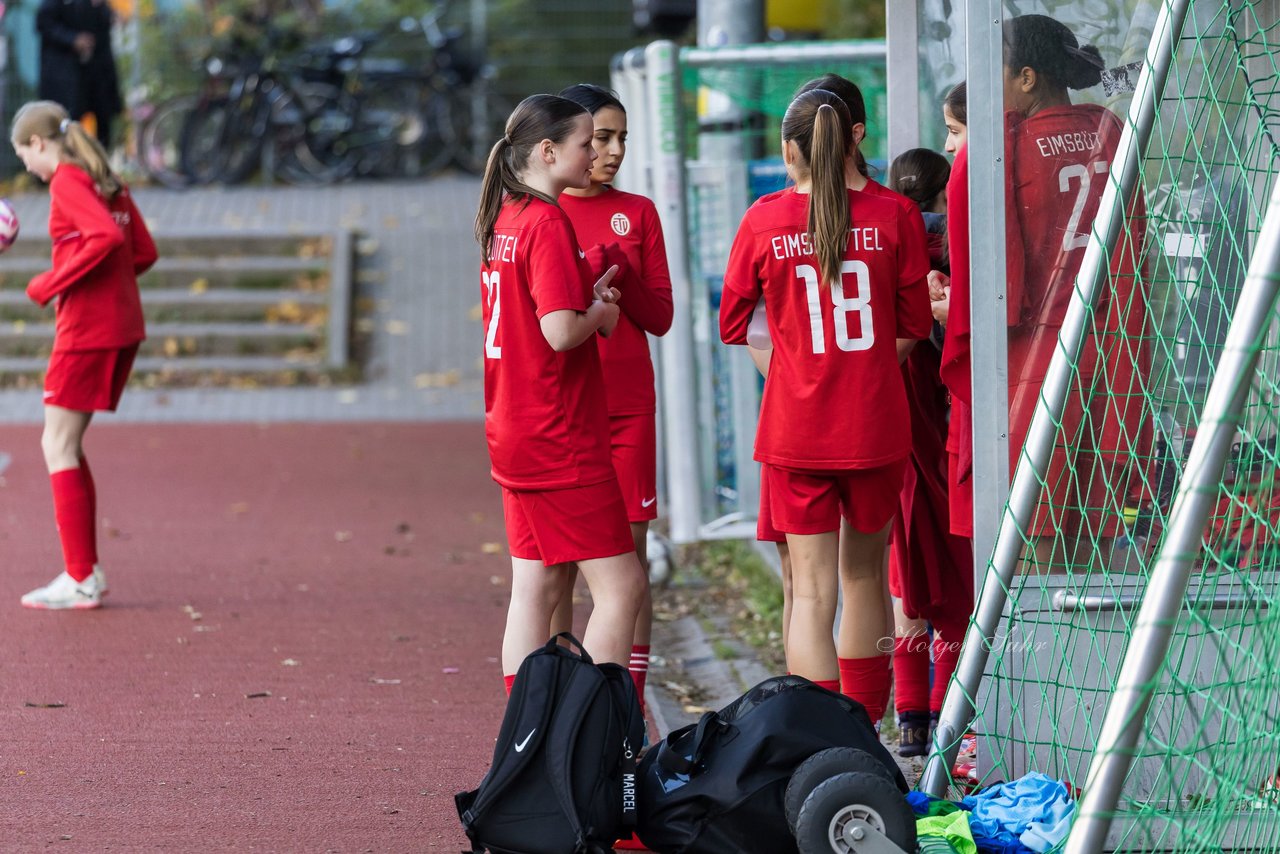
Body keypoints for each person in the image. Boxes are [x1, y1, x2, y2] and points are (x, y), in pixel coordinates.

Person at [720, 88, 932, 724]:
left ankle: (814, 742)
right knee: (866, 579)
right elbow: (914, 324)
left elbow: (734, 323)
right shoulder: (897, 215)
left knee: (812, 592)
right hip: (874, 425)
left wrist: (794, 372)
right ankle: (864, 733)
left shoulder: (764, 219)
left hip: (795, 430)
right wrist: (858, 370)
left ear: (791, 151)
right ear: (853, 141)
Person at [939, 14, 1149, 558]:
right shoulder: (1110, 128)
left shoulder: (993, 150)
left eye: (995, 74)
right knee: (1092, 529)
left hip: (1029, 357)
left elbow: (987, 290)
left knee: (1028, 538)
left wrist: (950, 313)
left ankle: (1031, 647)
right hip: (1110, 346)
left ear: (1026, 77)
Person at [474, 93, 648, 689]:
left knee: (538, 586)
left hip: (513, 427)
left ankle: (527, 739)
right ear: (548, 152)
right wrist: (599, 314)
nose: (596, 152)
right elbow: (558, 332)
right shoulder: (547, 220)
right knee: (623, 587)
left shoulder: (506, 215)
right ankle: (591, 729)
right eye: (586, 142)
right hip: (558, 434)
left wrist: (584, 295)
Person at [551, 83, 673, 711]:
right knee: (559, 572)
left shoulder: (640, 211)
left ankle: (628, 712)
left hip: (627, 407)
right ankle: (555, 710)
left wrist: (620, 267)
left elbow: (661, 318)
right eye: (602, 137)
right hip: (563, 414)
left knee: (629, 569)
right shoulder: (536, 213)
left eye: (622, 137)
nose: (615, 150)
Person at [12, 101, 155, 609]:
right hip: (121, 327)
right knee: (67, 444)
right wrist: (107, 292)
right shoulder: (105, 177)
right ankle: (85, 571)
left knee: (56, 445)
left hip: (86, 332)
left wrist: (50, 283)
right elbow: (143, 252)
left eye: (23, 155)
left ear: (38, 143)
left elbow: (105, 237)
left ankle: (79, 578)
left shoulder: (68, 181)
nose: (26, 167)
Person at [884, 147, 973, 755]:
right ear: (946, 196)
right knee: (955, 572)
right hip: (948, 428)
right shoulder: (953, 245)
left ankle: (911, 715)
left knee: (903, 568)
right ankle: (947, 713)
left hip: (891, 427)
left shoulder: (879, 239)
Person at [36, 0, 122, 148]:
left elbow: (104, 22)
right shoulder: (53, 5)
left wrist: (107, 13)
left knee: (103, 120)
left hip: (97, 71)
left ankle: (99, 165)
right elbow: (44, 24)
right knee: (66, 122)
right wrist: (72, 39)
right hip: (65, 74)